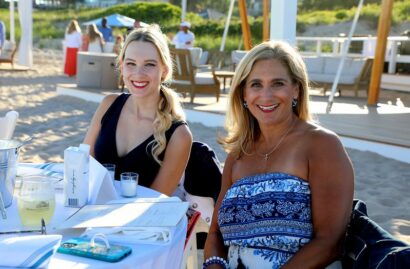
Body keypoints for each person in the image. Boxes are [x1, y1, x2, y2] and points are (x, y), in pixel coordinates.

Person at [203, 41, 354, 268]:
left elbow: (330, 242)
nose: (266, 95)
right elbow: (215, 234)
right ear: (243, 94)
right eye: (256, 84)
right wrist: (214, 265)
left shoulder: (322, 145)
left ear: (296, 89)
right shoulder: (238, 153)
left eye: (277, 83)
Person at [83, 24, 192, 196]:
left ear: (164, 70)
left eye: (149, 64)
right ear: (122, 65)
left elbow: (154, 204)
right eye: (131, 63)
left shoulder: (179, 136)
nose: (138, 73)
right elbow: (83, 165)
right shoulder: (108, 104)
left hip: (138, 221)